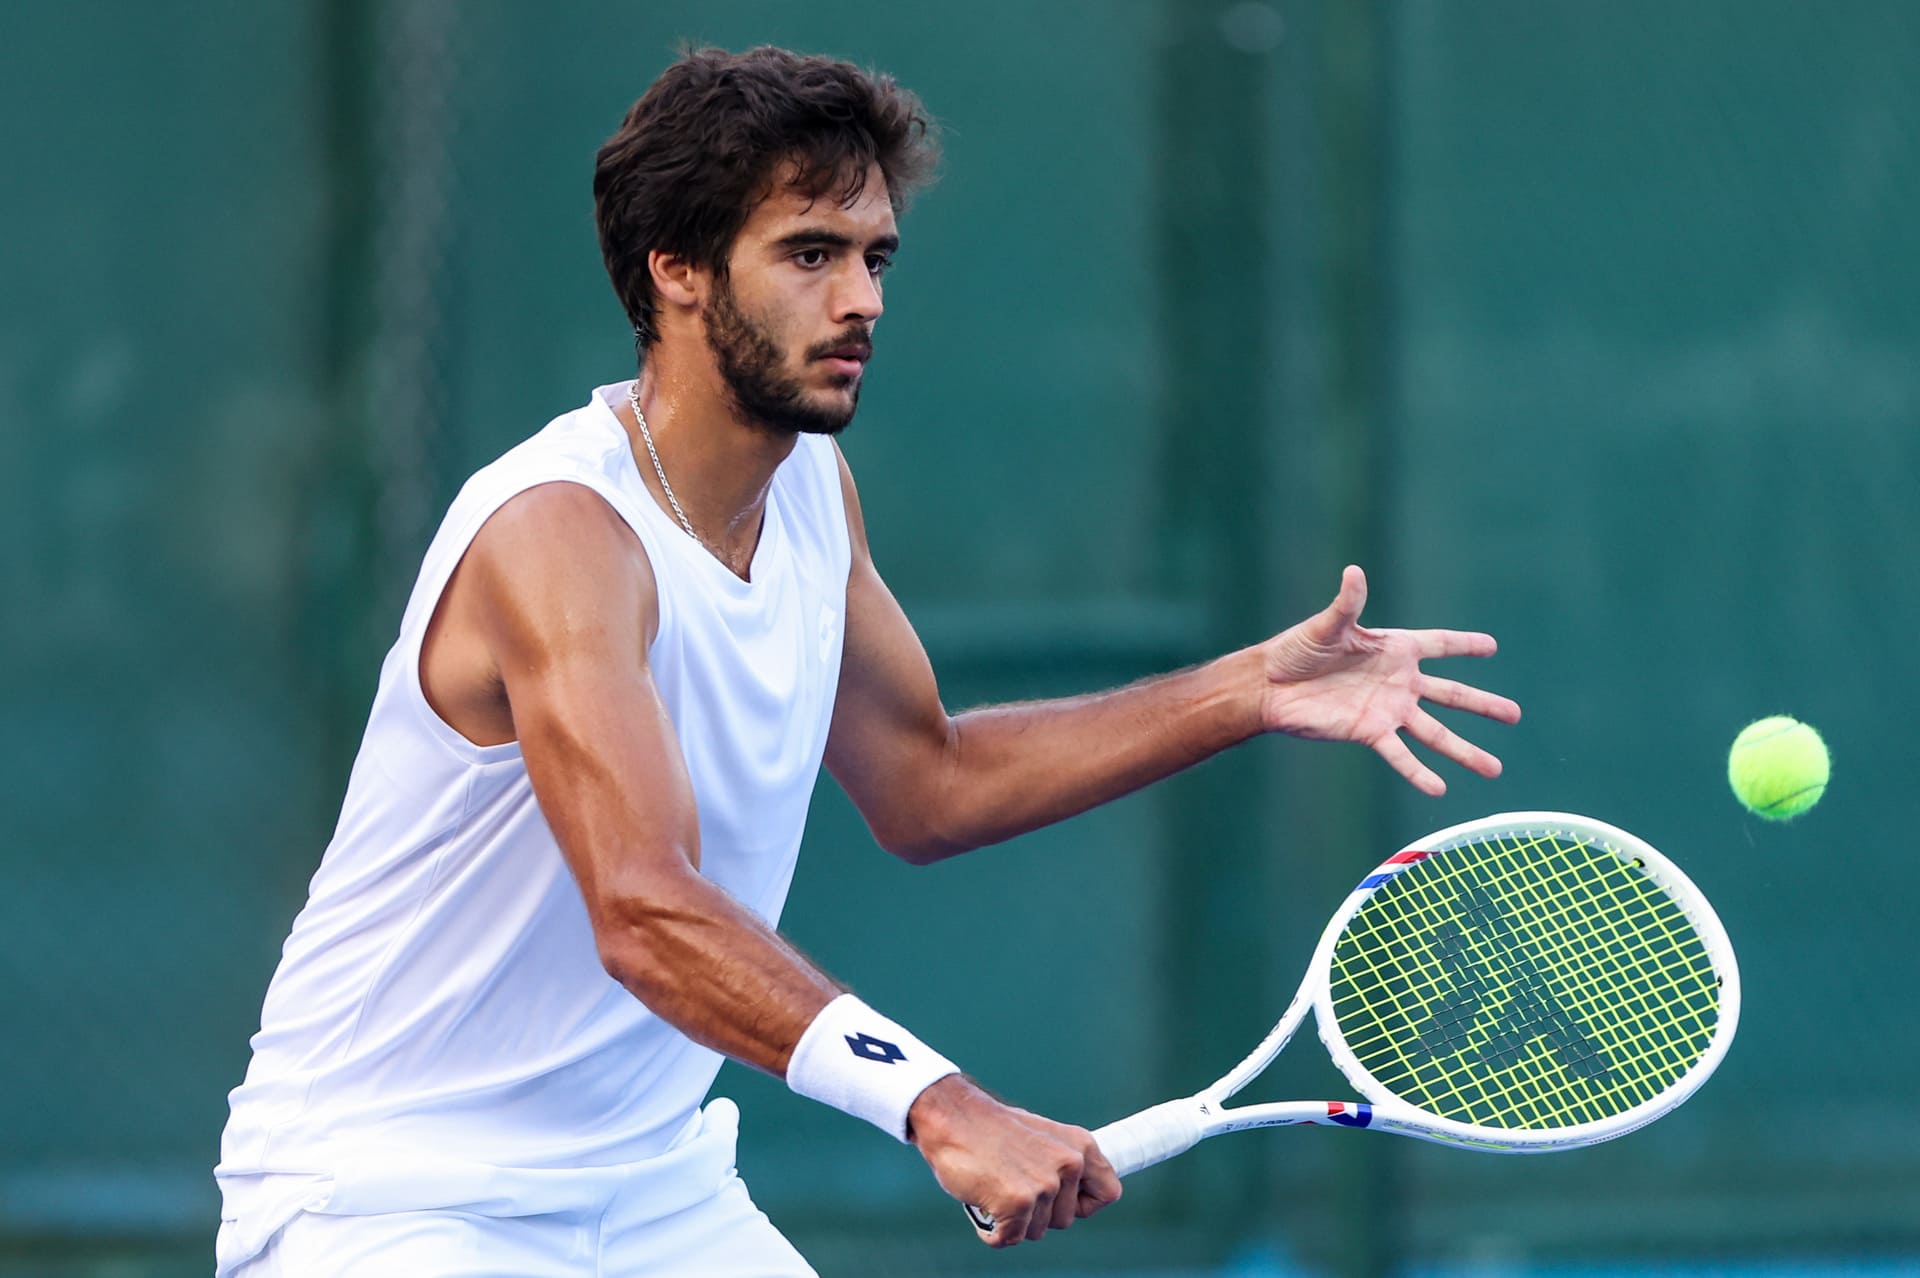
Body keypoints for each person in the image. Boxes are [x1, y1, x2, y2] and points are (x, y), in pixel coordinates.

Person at [215, 45, 1521, 1276]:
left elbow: (928, 782)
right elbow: (643, 907)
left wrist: (1247, 690)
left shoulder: (809, 492)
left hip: (652, 1189)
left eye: (874, 257)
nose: (862, 301)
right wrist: (938, 1103)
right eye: (810, 254)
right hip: (392, 1199)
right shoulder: (559, 532)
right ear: (677, 269)